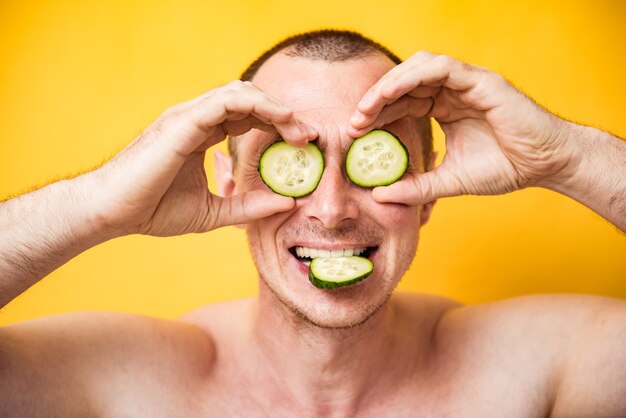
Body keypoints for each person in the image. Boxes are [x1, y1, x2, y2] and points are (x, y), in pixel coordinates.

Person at [0, 29, 624, 417]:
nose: (330, 209)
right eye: (290, 164)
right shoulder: (127, 386)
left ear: (432, 187)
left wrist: (563, 155)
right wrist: (101, 203)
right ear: (226, 182)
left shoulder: (542, 367)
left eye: (375, 161)